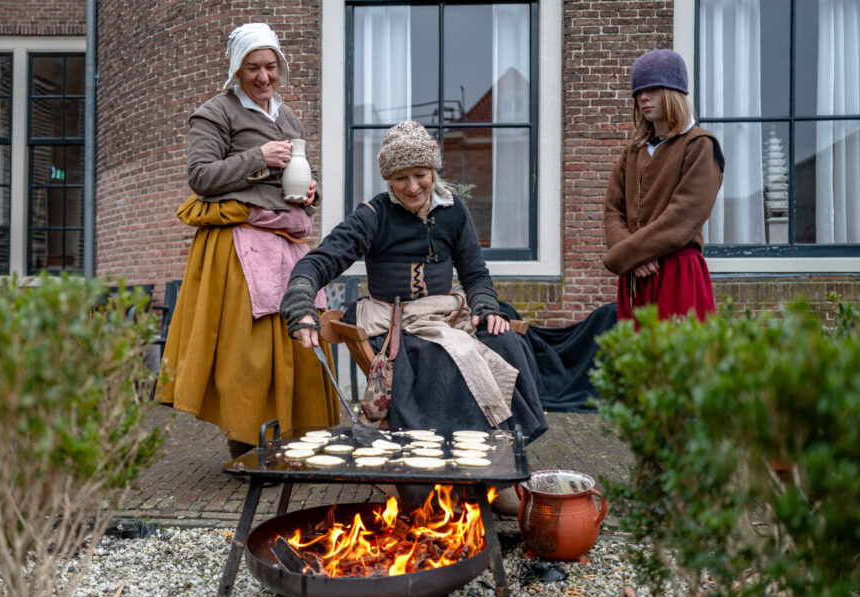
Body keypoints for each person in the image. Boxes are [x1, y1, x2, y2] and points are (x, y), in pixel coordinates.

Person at [280, 120, 548, 446]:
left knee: (506, 342)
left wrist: (487, 307)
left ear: (433, 170)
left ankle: (503, 451)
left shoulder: (454, 212)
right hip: (394, 323)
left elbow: (475, 274)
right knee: (438, 356)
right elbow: (316, 263)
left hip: (446, 313)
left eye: (420, 175)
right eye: (400, 178)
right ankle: (444, 455)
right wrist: (300, 304)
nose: (412, 187)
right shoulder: (372, 216)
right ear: (388, 179)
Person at [157, 22, 338, 457]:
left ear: (281, 67)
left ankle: (295, 438)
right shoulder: (215, 113)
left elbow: (299, 181)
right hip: (240, 243)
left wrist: (312, 191)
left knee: (298, 334)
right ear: (237, 71)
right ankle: (248, 442)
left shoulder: (287, 116)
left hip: (288, 241)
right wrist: (256, 157)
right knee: (250, 350)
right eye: (253, 67)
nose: (263, 77)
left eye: (270, 67)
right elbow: (200, 177)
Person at [603, 48, 725, 322]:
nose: (643, 97)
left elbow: (682, 217)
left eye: (653, 89)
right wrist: (632, 259)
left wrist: (626, 256)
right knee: (636, 360)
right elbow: (613, 211)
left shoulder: (699, 145)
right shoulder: (632, 152)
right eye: (639, 91)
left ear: (673, 92)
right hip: (636, 277)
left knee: (679, 360)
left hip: (677, 273)